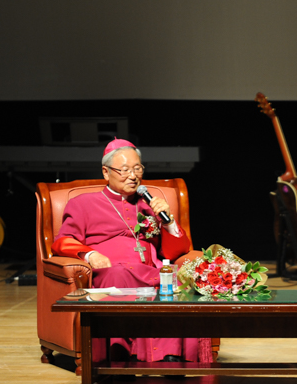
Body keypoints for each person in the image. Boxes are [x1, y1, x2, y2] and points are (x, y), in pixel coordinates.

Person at [53, 139, 210, 364]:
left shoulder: (150, 204)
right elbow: (62, 241)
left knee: (177, 279)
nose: (133, 176)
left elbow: (176, 251)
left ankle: (171, 356)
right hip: (111, 273)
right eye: (125, 170)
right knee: (118, 276)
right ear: (106, 172)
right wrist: (90, 255)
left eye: (137, 169)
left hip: (150, 272)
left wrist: (168, 222)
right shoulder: (82, 203)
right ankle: (120, 354)